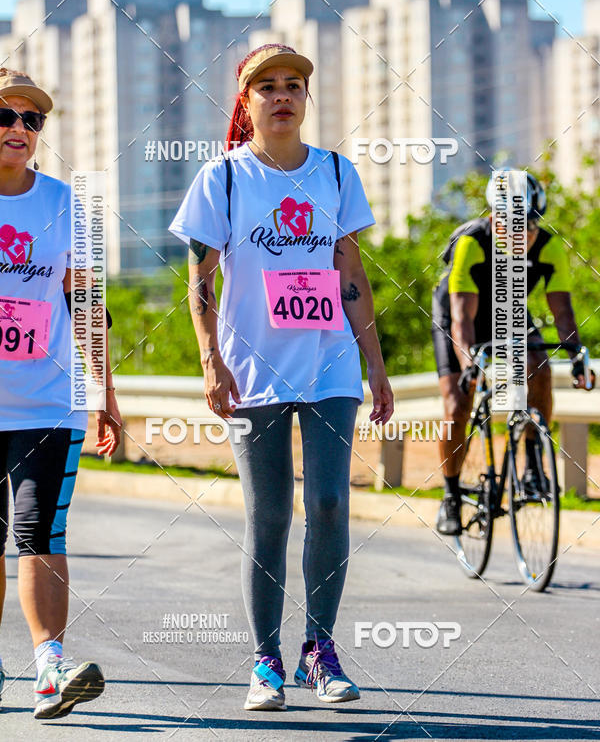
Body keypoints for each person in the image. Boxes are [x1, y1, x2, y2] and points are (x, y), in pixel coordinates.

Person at [169, 43, 394, 711]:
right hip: (252, 371)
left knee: (327, 504)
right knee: (269, 516)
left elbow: (351, 275)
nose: (282, 95)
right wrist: (211, 361)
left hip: (329, 362)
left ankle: (318, 652)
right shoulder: (224, 179)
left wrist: (376, 366)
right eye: (266, 86)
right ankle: (264, 661)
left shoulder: (334, 172)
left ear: (306, 97)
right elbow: (199, 284)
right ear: (247, 101)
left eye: (293, 84)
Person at [0, 68, 122, 718]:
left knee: (40, 527)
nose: (20, 129)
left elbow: (88, 303)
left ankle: (51, 666)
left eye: (33, 119)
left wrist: (106, 392)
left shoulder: (67, 205)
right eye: (6, 116)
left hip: (49, 398)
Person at [431, 171, 595, 535]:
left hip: (507, 311)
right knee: (458, 403)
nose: (524, 233)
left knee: (541, 364)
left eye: (532, 224)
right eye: (514, 225)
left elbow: (563, 313)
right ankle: (451, 495)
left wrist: (576, 357)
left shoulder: (549, 246)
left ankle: (534, 464)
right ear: (494, 216)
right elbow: (461, 317)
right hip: (459, 316)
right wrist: (469, 365)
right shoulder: (472, 242)